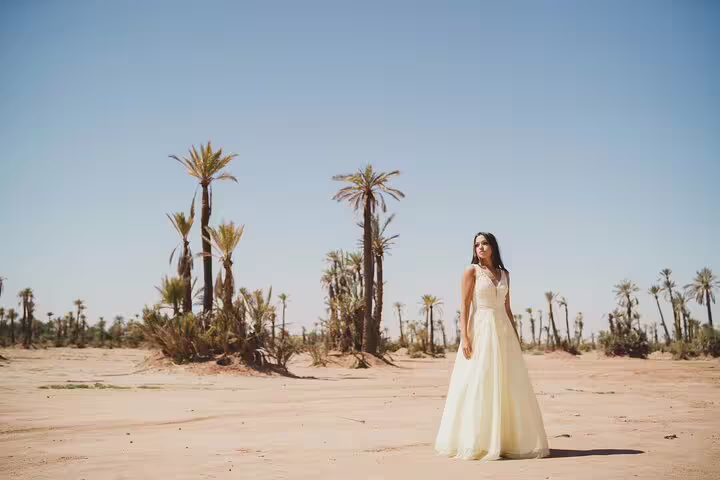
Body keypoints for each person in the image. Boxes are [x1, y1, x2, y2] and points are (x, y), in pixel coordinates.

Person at [434, 232, 550, 460]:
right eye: (477, 244)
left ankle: (507, 440)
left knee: (508, 384)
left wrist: (516, 337)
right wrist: (465, 338)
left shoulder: (505, 274)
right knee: (480, 380)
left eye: (484, 243)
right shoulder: (471, 271)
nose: (480, 247)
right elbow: (465, 305)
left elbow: (507, 309)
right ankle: (477, 441)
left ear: (493, 247)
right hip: (480, 329)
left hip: (503, 331)